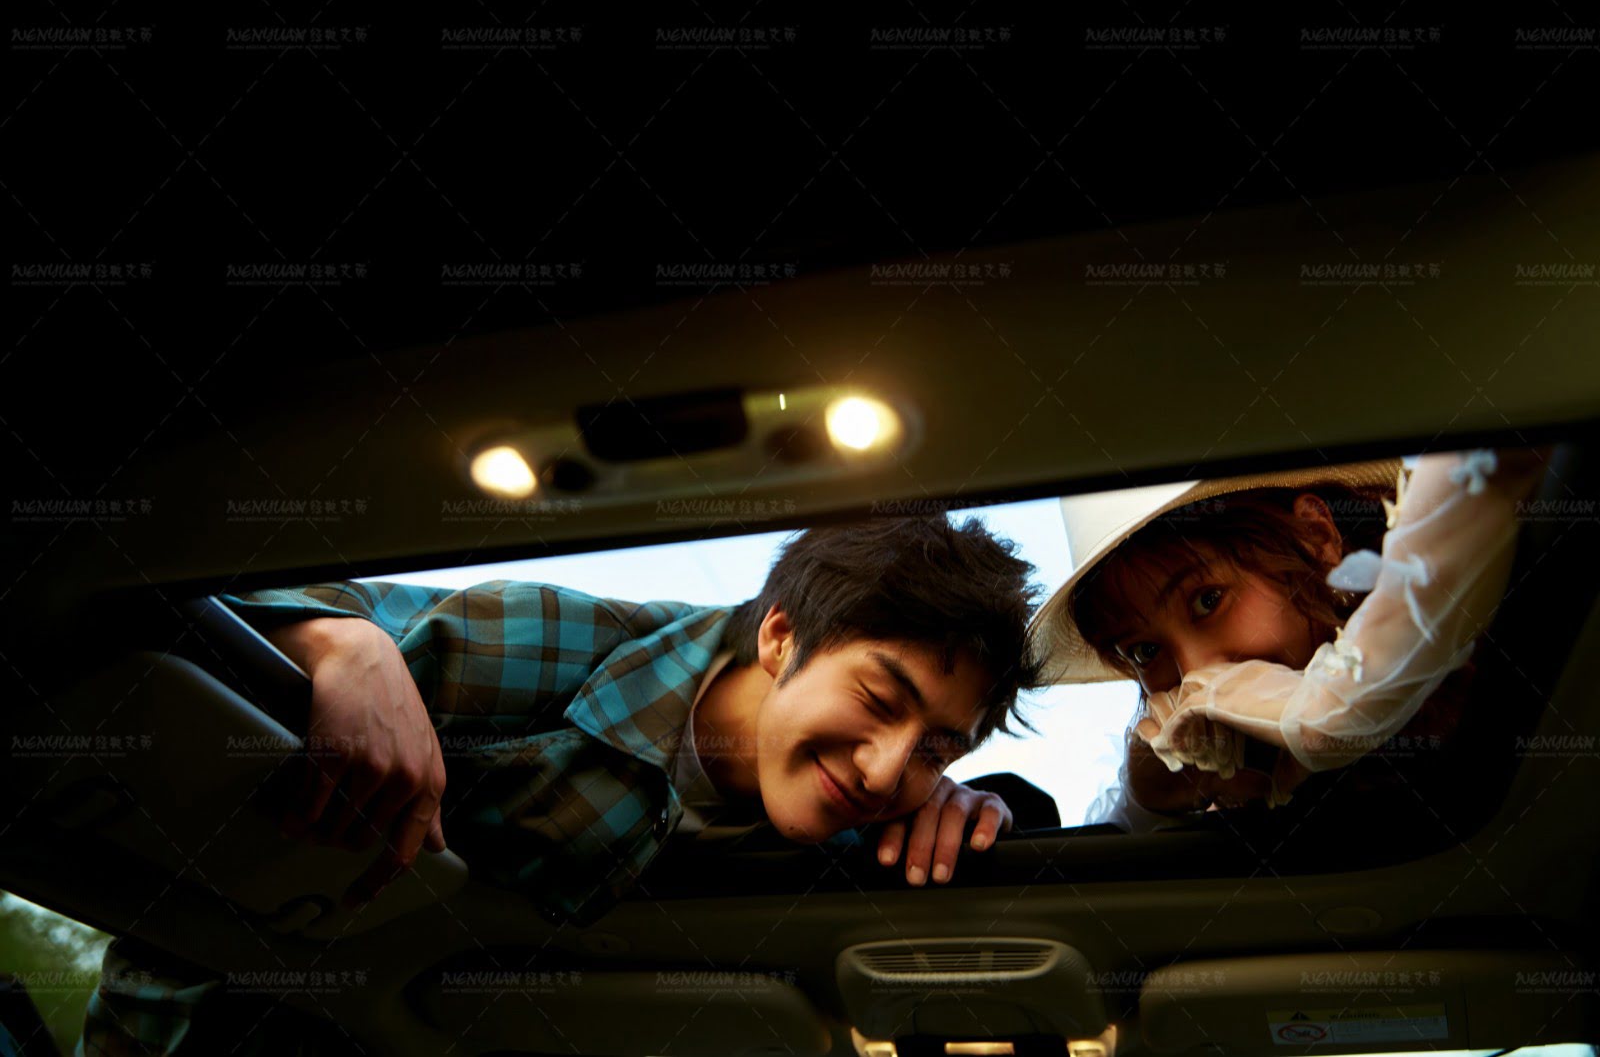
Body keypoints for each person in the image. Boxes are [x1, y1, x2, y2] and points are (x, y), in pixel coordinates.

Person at [79, 514, 1043, 1055]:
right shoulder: (548, 644)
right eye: (877, 699)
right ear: (781, 637)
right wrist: (342, 642)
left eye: (935, 750)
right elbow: (183, 616)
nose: (886, 769)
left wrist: (974, 804)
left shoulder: (869, 822)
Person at [1029, 447, 1549, 823]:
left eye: (1208, 600)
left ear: (1317, 537)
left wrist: (1342, 701)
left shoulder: (1506, 649)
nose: (1197, 674)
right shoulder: (1214, 780)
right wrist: (1154, 795)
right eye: (1145, 651)